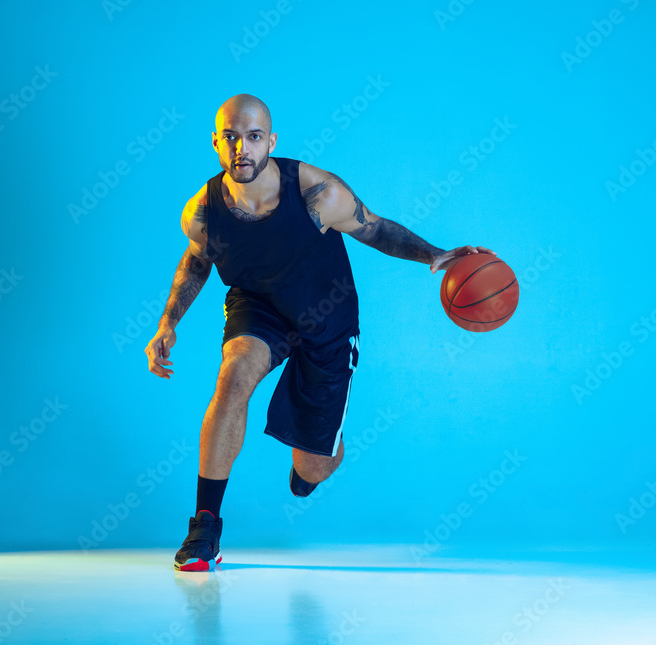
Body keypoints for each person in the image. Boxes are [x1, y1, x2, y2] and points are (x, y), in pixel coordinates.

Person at [145, 93, 496, 571]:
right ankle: (205, 525)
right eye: (230, 138)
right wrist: (168, 323)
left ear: (271, 141)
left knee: (312, 466)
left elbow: (373, 227)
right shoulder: (203, 211)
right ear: (216, 143)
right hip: (259, 308)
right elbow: (197, 260)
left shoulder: (317, 193)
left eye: (252, 138)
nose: (241, 149)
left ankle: (316, 454)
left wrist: (436, 256)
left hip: (326, 320)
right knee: (233, 376)